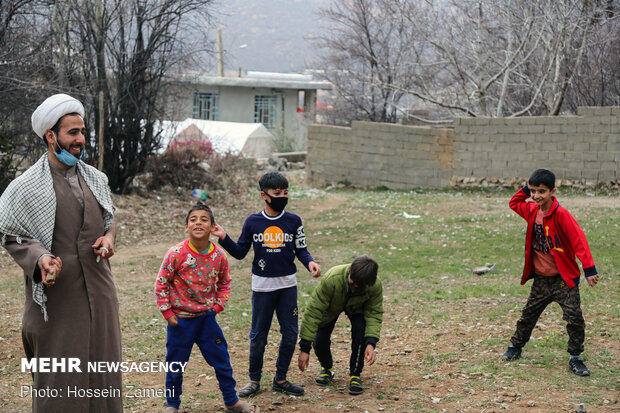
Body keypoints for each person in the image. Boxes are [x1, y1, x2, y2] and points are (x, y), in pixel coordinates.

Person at [0, 93, 122, 412]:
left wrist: (108, 239)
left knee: (105, 375)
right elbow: (13, 234)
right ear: (51, 136)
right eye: (72, 133)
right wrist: (39, 257)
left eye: (82, 131)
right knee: (61, 383)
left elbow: (110, 220)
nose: (80, 139)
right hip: (58, 301)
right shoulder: (25, 187)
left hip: (101, 292)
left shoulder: (96, 178)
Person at [211, 171, 321, 397]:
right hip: (262, 288)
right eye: (277, 193)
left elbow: (301, 249)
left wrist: (310, 263)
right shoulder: (253, 222)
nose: (282, 196)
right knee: (258, 335)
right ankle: (254, 380)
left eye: (286, 192)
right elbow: (241, 252)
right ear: (264, 195)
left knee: (290, 334)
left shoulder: (294, 221)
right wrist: (223, 237)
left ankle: (281, 379)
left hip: (287, 286)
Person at [155, 203, 259, 413]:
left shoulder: (218, 256)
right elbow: (161, 283)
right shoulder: (176, 253)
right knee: (175, 365)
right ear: (186, 226)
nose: (198, 222)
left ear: (212, 227)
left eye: (204, 219)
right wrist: (167, 313)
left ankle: (231, 401)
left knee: (222, 360)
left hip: (206, 320)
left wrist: (218, 306)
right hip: (180, 320)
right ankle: (172, 404)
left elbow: (225, 282)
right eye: (193, 219)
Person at [502, 169, 600, 376]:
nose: (537, 196)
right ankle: (515, 347)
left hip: (563, 280)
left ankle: (575, 357)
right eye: (533, 191)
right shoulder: (530, 210)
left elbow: (579, 241)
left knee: (575, 319)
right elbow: (513, 203)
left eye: (542, 191)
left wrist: (589, 268)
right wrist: (526, 188)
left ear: (553, 191)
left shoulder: (562, 215)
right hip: (541, 280)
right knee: (528, 315)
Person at [297, 255, 383, 395]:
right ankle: (327, 369)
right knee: (320, 341)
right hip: (330, 307)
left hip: (357, 309)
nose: (355, 285)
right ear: (349, 270)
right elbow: (313, 312)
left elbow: (374, 313)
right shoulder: (332, 279)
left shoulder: (373, 285)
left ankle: (355, 375)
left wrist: (371, 342)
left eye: (359, 285)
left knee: (360, 332)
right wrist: (305, 348)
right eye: (353, 281)